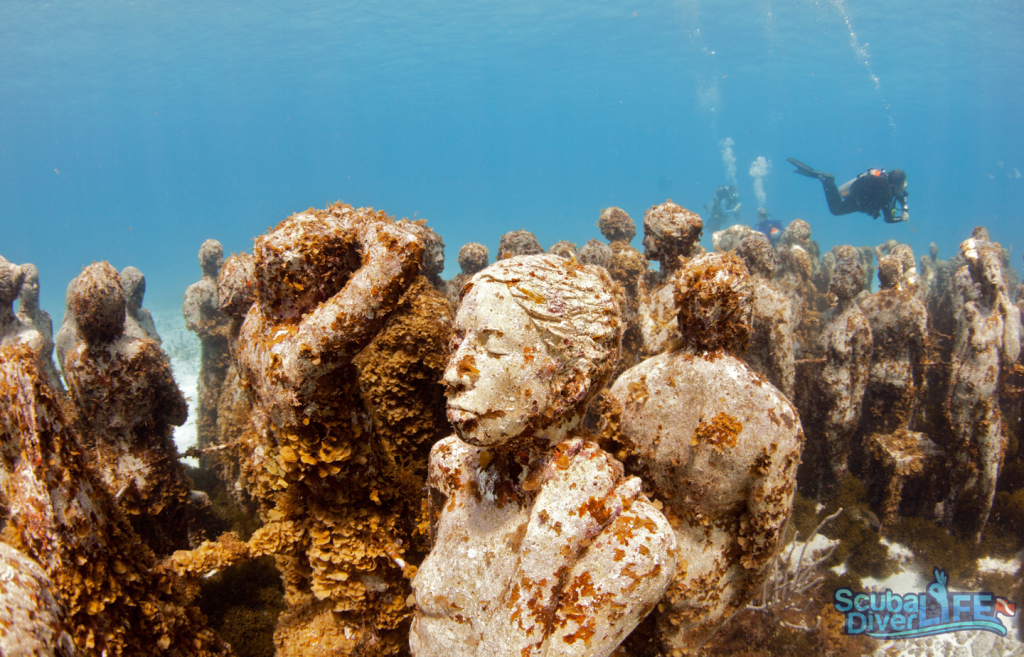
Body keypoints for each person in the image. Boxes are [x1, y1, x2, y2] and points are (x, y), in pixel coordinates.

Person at [788, 158, 909, 223]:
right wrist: (902, 217)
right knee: (836, 209)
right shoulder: (887, 196)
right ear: (895, 185)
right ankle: (828, 181)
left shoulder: (884, 178)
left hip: (855, 191)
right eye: (901, 187)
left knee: (838, 201)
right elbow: (888, 219)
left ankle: (826, 180)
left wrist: (902, 201)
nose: (901, 190)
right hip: (857, 202)